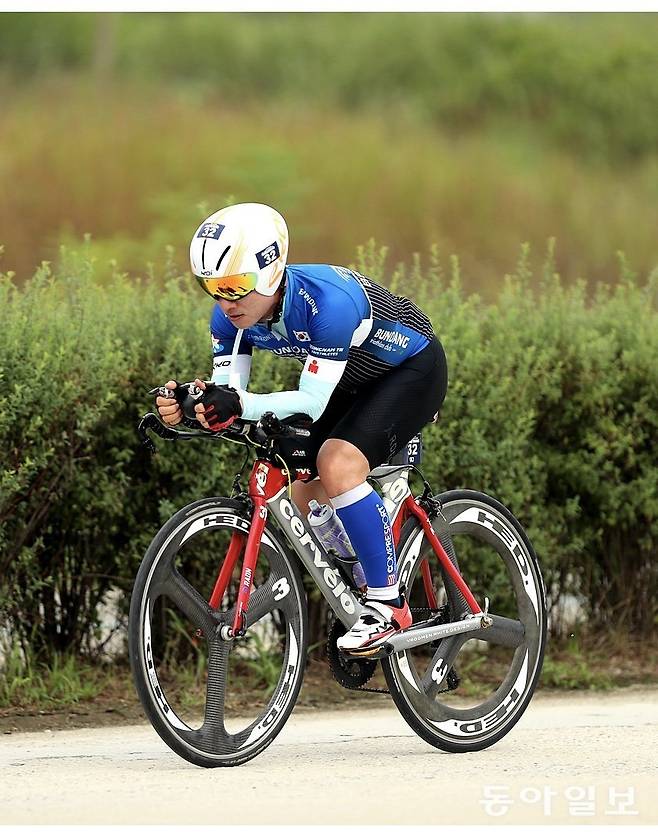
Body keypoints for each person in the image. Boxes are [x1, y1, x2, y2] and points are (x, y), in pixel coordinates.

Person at [155, 202, 448, 655]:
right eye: (212, 287)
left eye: (236, 286)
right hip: (348, 381)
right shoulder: (231, 319)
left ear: (270, 272)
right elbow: (231, 398)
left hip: (410, 370)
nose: (226, 301)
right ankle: (367, 569)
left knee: (338, 462)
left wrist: (237, 402)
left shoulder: (326, 304)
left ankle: (389, 606)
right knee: (303, 487)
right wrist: (194, 408)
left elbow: (311, 402)